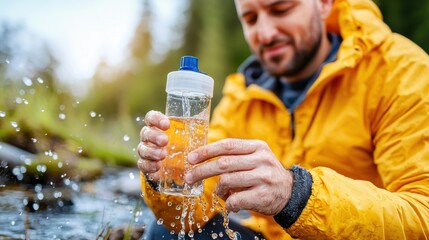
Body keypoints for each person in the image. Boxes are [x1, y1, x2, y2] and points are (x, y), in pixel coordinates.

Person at [137, 0, 429, 239]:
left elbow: (423, 215)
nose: (264, 33)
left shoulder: (400, 72)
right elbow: (188, 214)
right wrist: (165, 174)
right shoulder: (242, 97)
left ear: (325, 4)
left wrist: (296, 194)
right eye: (251, 18)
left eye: (281, 10)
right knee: (167, 234)